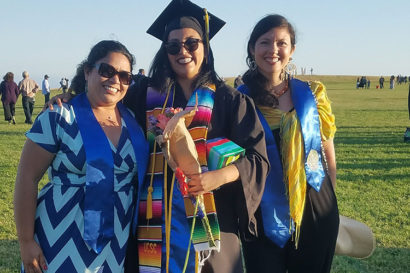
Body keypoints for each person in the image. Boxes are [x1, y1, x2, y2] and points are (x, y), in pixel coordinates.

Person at [123, 1, 268, 272]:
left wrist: (218, 177)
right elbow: (104, 96)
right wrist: (68, 97)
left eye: (192, 43)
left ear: (205, 46)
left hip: (212, 227)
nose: (183, 51)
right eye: (174, 46)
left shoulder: (230, 100)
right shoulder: (145, 94)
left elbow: (257, 158)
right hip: (153, 227)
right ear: (164, 51)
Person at [14, 40, 149, 273]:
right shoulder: (59, 116)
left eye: (125, 76)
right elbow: (27, 178)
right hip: (61, 234)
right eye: (107, 71)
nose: (116, 80)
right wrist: (26, 241)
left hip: (115, 241)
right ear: (87, 72)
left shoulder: (133, 121)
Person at [237, 14, 339, 273]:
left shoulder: (313, 93)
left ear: (292, 50)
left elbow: (327, 147)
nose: (273, 49)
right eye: (265, 42)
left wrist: (331, 197)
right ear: (252, 48)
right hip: (261, 210)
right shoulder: (239, 100)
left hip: (315, 203)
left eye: (281, 43)